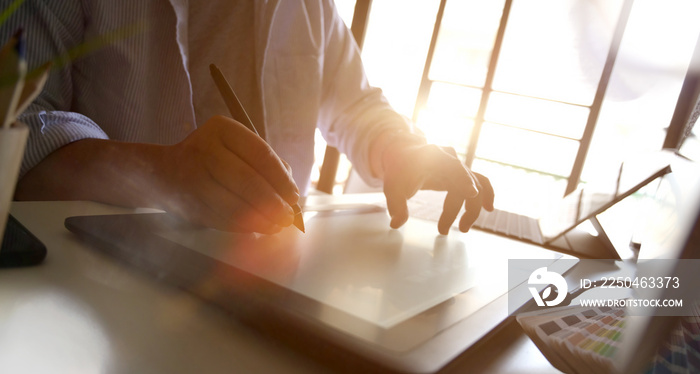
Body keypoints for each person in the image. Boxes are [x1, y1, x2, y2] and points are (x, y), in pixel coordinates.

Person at [3, 0, 494, 235]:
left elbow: (357, 103)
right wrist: (161, 172)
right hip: (104, 276)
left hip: (275, 264)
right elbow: (16, 122)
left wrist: (399, 148)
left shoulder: (310, 7)